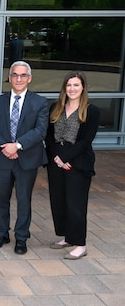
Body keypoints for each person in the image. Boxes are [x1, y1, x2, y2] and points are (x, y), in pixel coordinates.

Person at [0, 61, 48, 254]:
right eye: (14, 75)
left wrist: (17, 146)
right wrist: (6, 147)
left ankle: (21, 237)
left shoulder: (40, 102)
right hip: (3, 157)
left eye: (22, 75)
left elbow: (40, 131)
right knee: (1, 198)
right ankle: (1, 233)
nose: (18, 79)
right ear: (10, 78)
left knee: (23, 199)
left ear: (29, 78)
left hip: (27, 158)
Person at [46, 71, 99, 260]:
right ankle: (67, 237)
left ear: (83, 87)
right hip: (56, 161)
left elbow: (85, 141)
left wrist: (66, 158)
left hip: (78, 163)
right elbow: (49, 137)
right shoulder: (55, 107)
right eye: (69, 85)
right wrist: (57, 157)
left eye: (76, 85)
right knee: (59, 201)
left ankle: (80, 244)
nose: (72, 89)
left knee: (76, 204)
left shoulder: (92, 111)